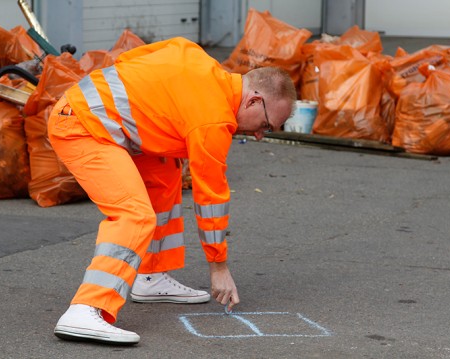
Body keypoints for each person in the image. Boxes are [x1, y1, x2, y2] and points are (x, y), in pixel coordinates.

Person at [48, 37, 296, 345]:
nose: (260, 135)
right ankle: (87, 308)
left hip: (97, 116)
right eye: (267, 126)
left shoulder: (199, 61)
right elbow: (210, 197)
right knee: (134, 215)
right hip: (83, 126)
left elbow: (133, 59)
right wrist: (218, 267)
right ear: (253, 101)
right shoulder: (214, 118)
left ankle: (148, 276)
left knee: (165, 173)